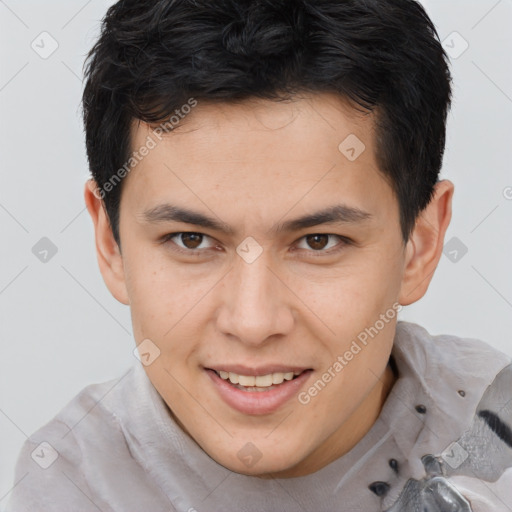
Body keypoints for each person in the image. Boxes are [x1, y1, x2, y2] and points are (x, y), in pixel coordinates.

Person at [7, 0, 512, 510]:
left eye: (319, 242)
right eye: (191, 240)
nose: (252, 323)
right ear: (110, 243)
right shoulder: (67, 488)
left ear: (419, 246)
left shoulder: (499, 425)